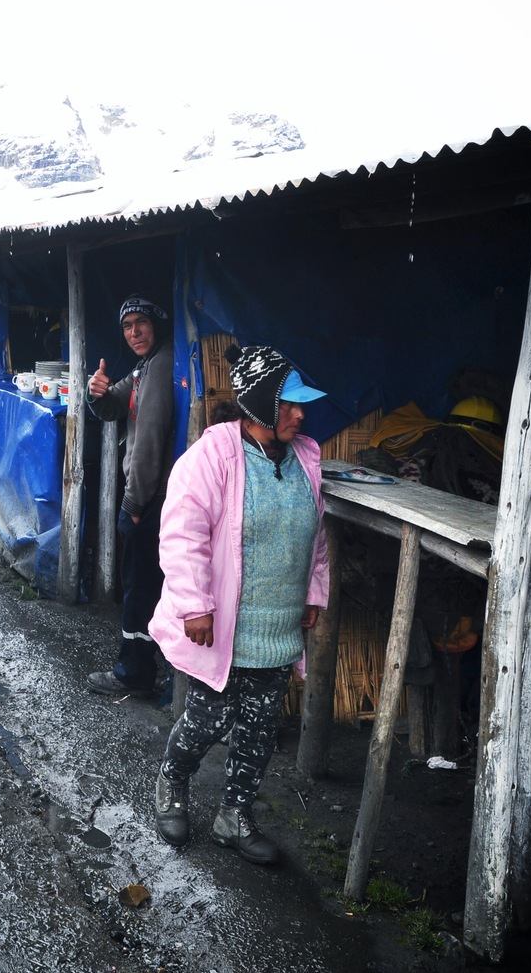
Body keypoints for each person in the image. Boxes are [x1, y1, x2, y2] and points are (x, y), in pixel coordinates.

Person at [149, 344, 329, 864]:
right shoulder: (212, 457)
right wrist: (195, 605)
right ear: (258, 403)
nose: (301, 413)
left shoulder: (305, 459)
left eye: (301, 404)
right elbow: (183, 536)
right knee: (206, 721)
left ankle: (234, 816)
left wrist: (314, 593)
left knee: (258, 732)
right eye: (290, 404)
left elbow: (315, 538)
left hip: (277, 627)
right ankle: (172, 783)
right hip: (222, 624)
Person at [86, 295, 175, 697]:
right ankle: (152, 668)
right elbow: (111, 407)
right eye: (126, 326)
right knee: (149, 581)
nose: (134, 332)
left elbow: (150, 441)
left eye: (141, 322)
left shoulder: (160, 366)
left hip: (153, 496)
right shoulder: (144, 367)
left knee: (140, 582)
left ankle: (133, 671)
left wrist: (134, 503)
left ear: (158, 324)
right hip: (153, 495)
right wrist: (97, 391)